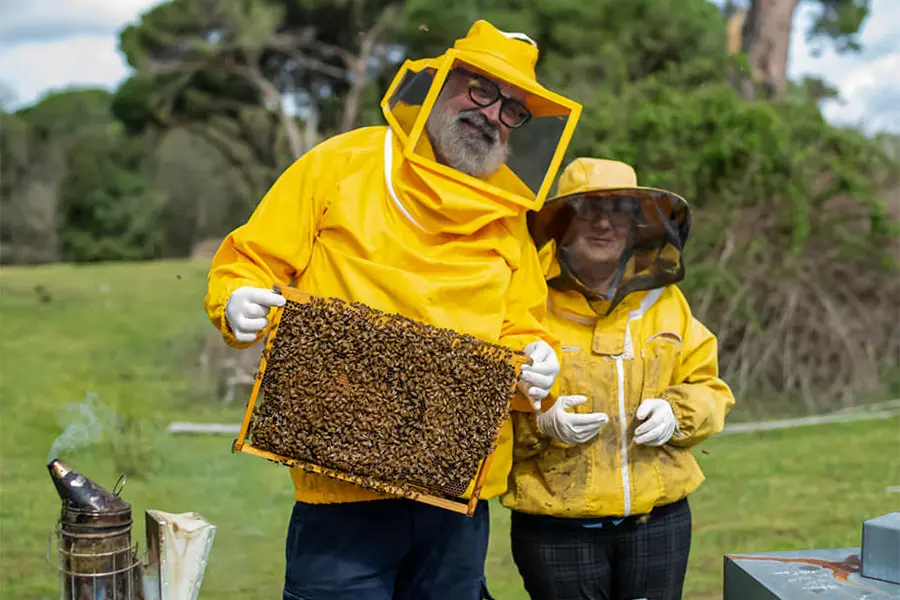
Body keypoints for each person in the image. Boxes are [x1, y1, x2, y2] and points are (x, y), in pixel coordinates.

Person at [203, 20, 583, 600]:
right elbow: (252, 258)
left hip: (456, 491)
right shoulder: (343, 163)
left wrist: (540, 362)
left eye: (513, 109)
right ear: (439, 81)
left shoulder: (511, 218)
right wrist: (234, 299)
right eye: (481, 89)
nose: (493, 113)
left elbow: (524, 326)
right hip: (341, 489)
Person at [501, 158, 736, 600]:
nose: (604, 224)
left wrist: (677, 413)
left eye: (620, 211)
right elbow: (484, 402)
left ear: (636, 226)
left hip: (657, 521)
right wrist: (541, 421)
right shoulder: (525, 302)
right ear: (563, 224)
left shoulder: (666, 302)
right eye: (588, 211)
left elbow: (711, 389)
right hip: (555, 524)